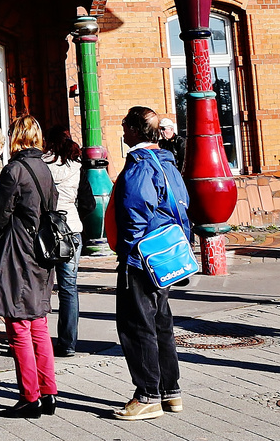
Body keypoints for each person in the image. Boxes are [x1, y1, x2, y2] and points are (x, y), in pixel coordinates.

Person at [113, 106, 189, 421]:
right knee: (161, 324)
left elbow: (134, 211)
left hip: (141, 257)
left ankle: (147, 395)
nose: (122, 132)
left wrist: (128, 252)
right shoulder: (167, 162)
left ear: (134, 130)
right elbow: (183, 204)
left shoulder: (139, 165)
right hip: (164, 255)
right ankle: (170, 391)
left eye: (125, 126)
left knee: (136, 324)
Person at [0, 116, 59, 418]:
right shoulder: (44, 167)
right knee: (38, 324)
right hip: (43, 254)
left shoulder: (13, 170)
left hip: (19, 253)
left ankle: (30, 397)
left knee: (18, 324)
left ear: (15, 137)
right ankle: (49, 391)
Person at [44, 130, 84, 357]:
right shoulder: (77, 167)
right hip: (71, 229)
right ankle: (68, 342)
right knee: (69, 288)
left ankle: (39, 337)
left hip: (47, 230)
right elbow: (87, 202)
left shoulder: (41, 166)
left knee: (42, 286)